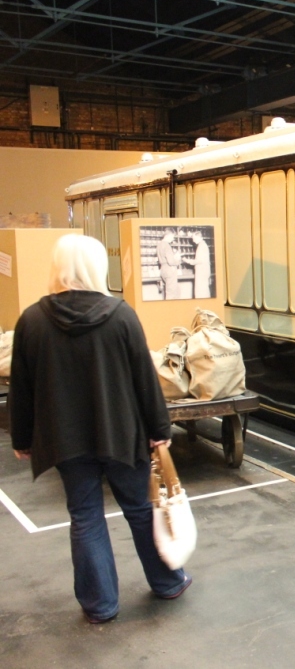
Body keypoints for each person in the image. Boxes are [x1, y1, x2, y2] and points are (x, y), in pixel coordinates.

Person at [8, 234, 191, 624]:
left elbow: (21, 387)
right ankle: (167, 581)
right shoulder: (120, 314)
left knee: (86, 517)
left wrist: (22, 438)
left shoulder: (32, 320)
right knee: (141, 510)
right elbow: (146, 378)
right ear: (97, 267)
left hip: (64, 438)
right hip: (122, 434)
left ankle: (100, 605)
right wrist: (159, 428)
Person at [183, 230, 211, 299]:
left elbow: (199, 261)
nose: (193, 240)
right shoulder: (202, 244)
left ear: (198, 237)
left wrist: (187, 260)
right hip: (203, 271)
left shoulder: (201, 246)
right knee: (203, 291)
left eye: (194, 238)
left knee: (201, 292)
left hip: (202, 272)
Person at [156, 230, 182, 299]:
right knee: (171, 294)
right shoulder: (167, 245)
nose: (173, 239)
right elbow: (171, 262)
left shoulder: (159, 245)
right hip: (170, 270)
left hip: (163, 270)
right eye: (172, 237)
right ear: (167, 236)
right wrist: (178, 260)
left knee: (176, 292)